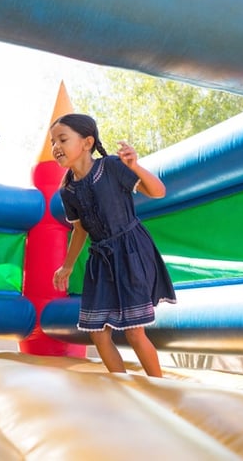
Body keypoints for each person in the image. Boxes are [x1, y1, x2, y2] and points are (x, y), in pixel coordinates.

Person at [50, 114, 176, 377]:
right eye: (53, 142)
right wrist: (67, 266)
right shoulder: (68, 190)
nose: (56, 146)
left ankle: (162, 389)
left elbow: (158, 191)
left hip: (131, 250)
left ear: (87, 143)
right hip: (102, 260)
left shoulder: (111, 167)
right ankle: (123, 388)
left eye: (62, 139)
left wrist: (135, 166)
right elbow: (80, 229)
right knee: (98, 334)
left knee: (134, 331)